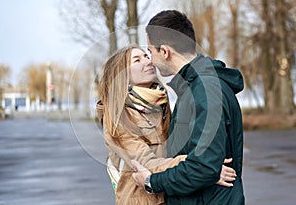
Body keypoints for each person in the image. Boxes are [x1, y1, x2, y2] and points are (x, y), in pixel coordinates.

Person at [97, 45, 237, 204]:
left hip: (170, 194)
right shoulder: (118, 117)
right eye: (137, 60)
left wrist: (201, 169)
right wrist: (201, 167)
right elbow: (145, 163)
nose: (148, 61)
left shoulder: (161, 106)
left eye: (146, 56)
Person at [132, 10, 245, 204]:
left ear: (165, 52)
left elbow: (204, 167)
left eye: (151, 51)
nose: (150, 59)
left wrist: (151, 181)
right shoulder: (194, 89)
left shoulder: (205, 90)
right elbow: (202, 163)